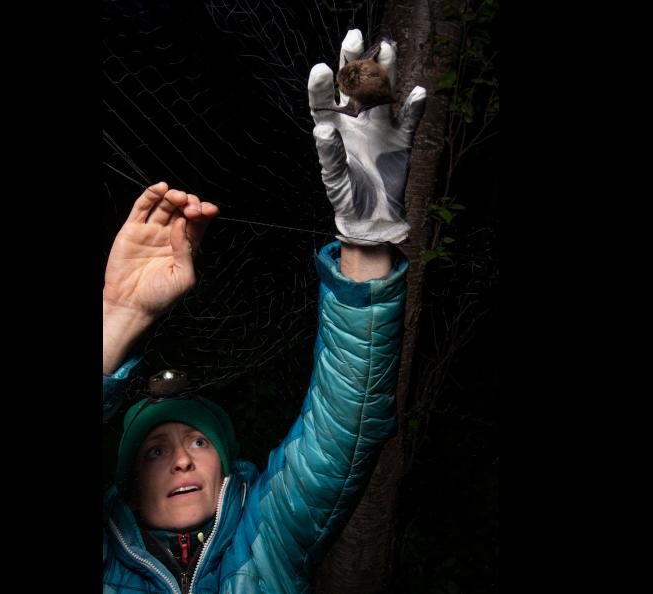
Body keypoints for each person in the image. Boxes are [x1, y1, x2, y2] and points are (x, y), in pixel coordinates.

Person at [103, 29, 426, 594]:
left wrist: (367, 241)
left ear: (226, 469)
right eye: (156, 450)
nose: (182, 461)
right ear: (127, 485)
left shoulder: (268, 535)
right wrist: (118, 317)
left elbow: (339, 434)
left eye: (199, 442)